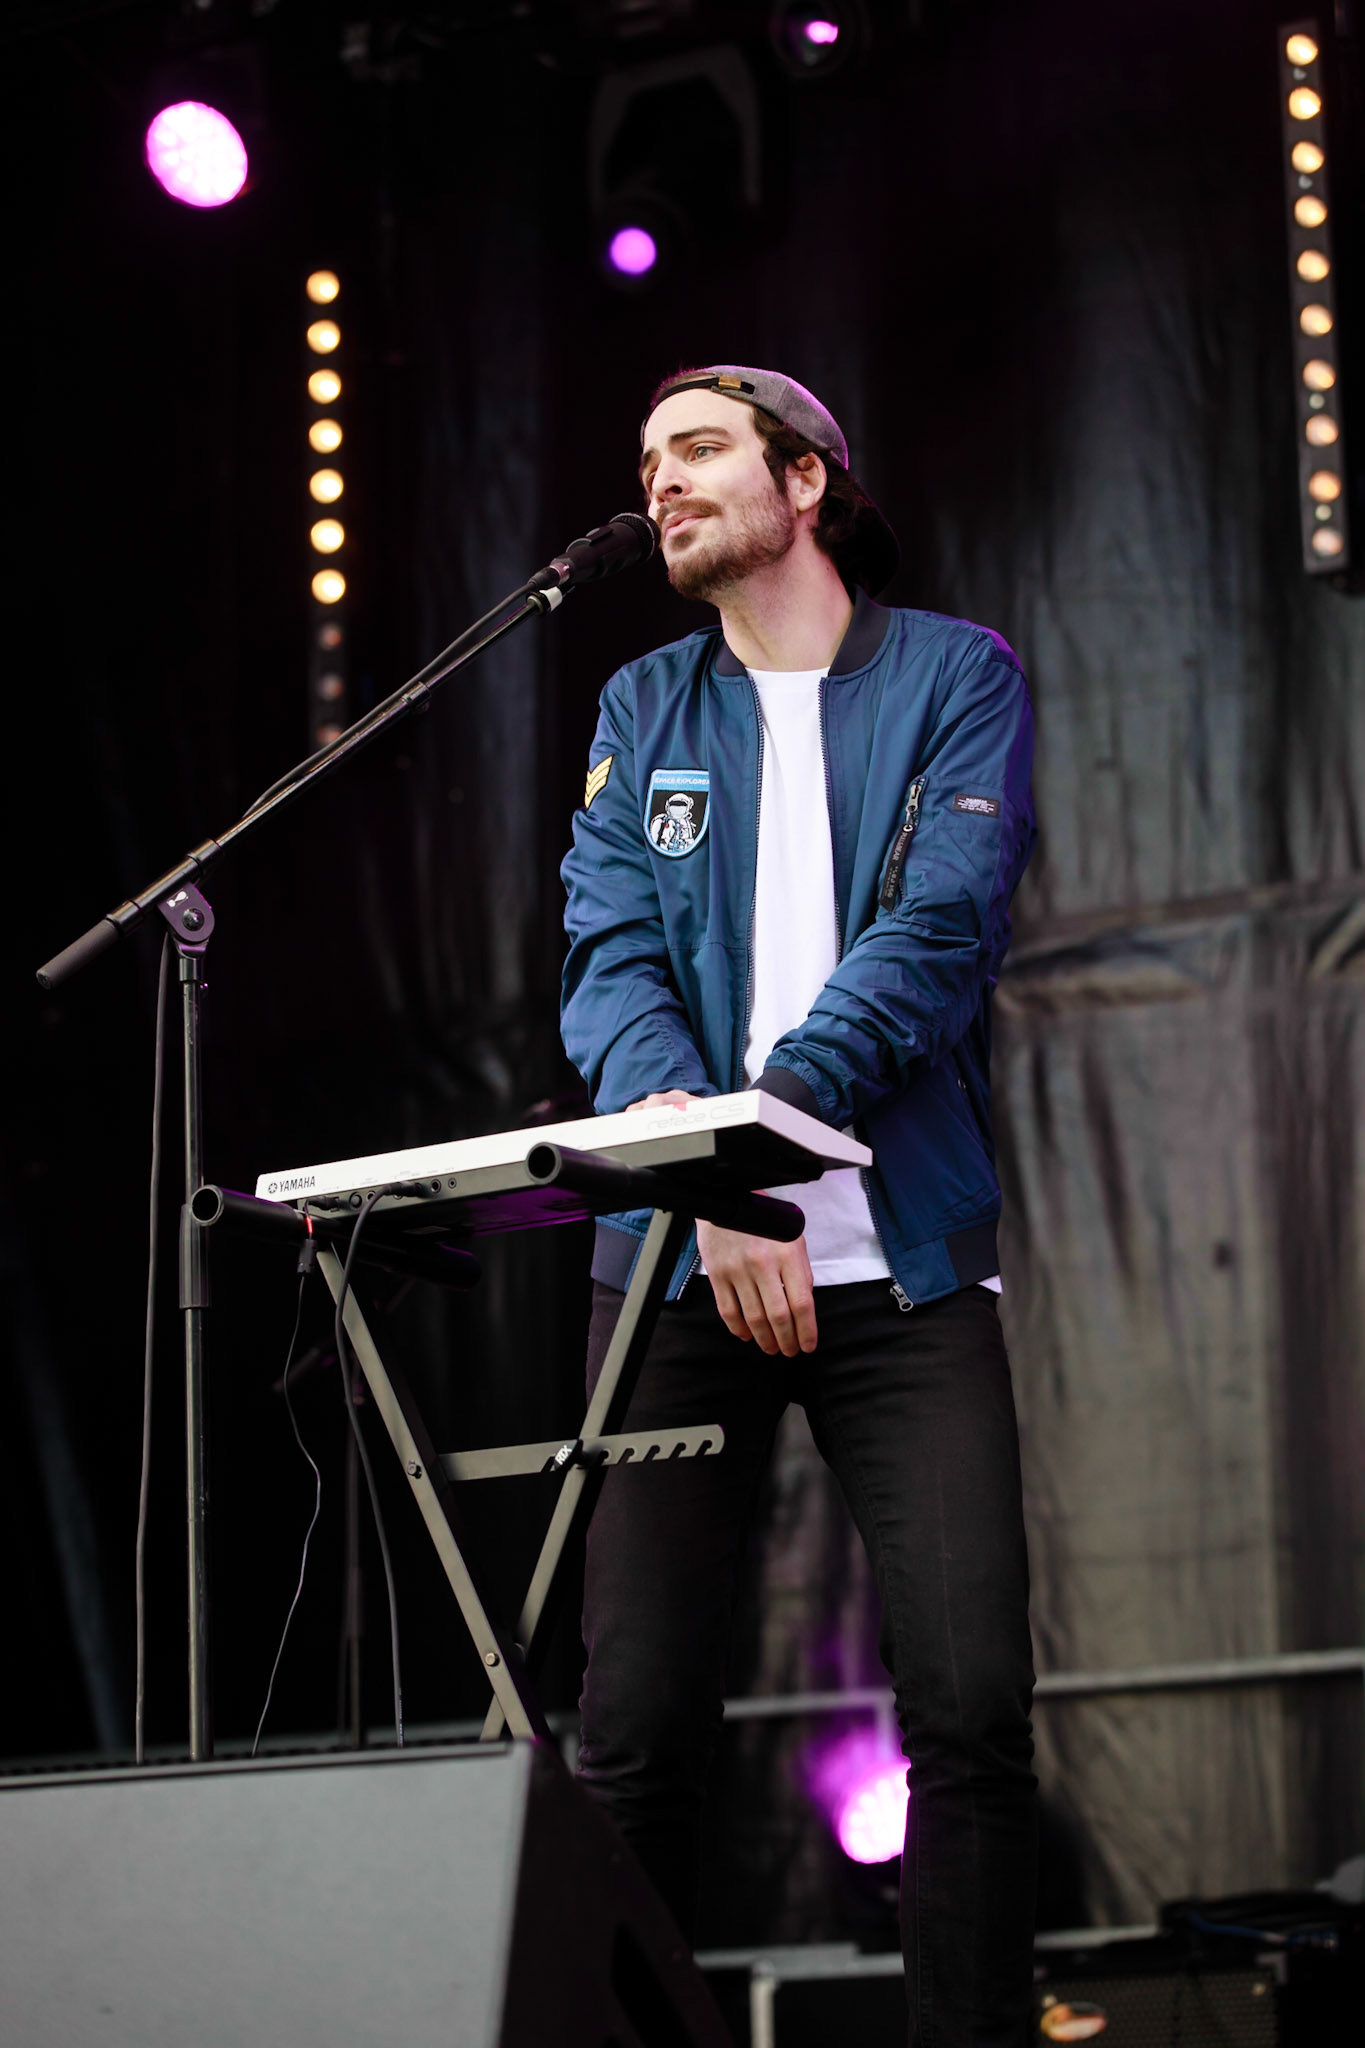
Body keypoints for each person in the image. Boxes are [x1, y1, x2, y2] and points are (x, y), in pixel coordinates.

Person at [560, 364, 1039, 2047]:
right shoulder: (639, 710)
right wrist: (706, 1182)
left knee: (972, 1714)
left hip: (894, 1264)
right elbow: (606, 967)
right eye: (648, 461)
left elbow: (939, 929)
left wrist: (754, 1150)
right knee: (627, 1731)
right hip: (676, 1267)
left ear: (805, 479)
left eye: (695, 451)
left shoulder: (953, 676)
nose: (661, 483)